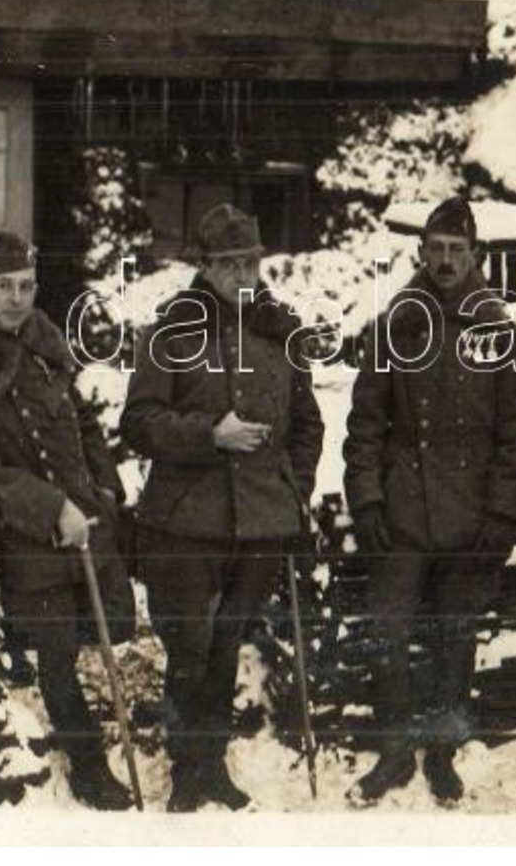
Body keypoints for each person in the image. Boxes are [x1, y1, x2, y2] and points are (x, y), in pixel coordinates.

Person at [0, 229, 136, 811]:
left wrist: (105, 488)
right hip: (25, 545)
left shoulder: (46, 348)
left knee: (108, 639)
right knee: (56, 658)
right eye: (3, 286)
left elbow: (82, 423)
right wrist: (50, 508)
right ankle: (88, 772)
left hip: (85, 531)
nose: (17, 298)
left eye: (26, 285)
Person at [120, 202, 325, 813]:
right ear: (204, 266)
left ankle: (212, 768)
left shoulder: (280, 332)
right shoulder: (170, 332)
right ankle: (192, 771)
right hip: (185, 522)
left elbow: (308, 424)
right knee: (190, 648)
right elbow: (139, 422)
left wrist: (295, 488)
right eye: (229, 264)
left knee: (227, 641)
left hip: (261, 521)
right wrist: (211, 433)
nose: (243, 274)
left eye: (251, 262)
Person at [343, 196, 516, 804]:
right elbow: (365, 425)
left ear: (476, 254)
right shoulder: (397, 325)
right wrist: (369, 502)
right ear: (421, 252)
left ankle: (443, 750)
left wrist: (504, 515)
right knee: (389, 630)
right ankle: (397, 750)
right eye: (437, 249)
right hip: (403, 515)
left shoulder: (498, 330)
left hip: (470, 517)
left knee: (456, 637)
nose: (447, 260)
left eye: (459, 250)